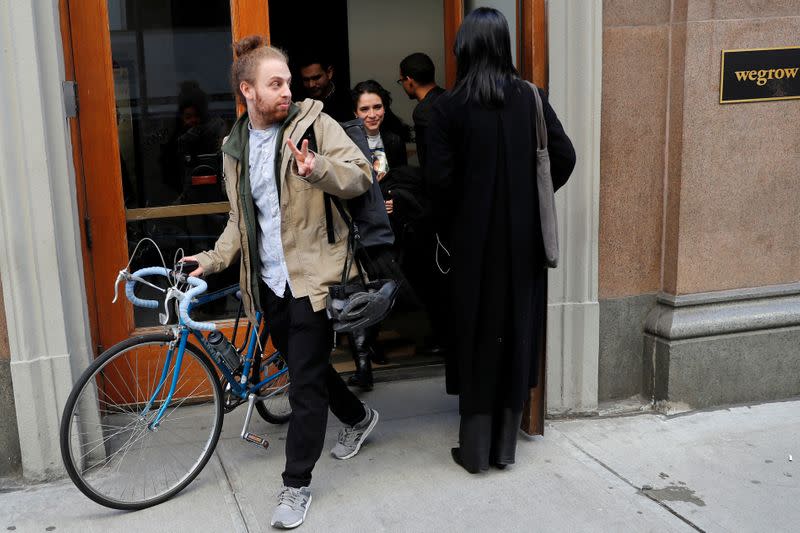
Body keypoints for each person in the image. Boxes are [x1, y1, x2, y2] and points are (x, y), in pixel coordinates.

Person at [183, 36, 379, 529]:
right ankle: (358, 418)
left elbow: (360, 177)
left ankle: (296, 487)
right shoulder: (235, 146)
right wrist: (210, 260)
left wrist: (317, 170)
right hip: (268, 283)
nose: (287, 90)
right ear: (247, 90)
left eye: (288, 81)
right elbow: (240, 220)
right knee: (304, 367)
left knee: (305, 387)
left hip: (314, 278)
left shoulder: (315, 123)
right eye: (275, 84)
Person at [426, 8, 576, 474]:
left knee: (475, 337)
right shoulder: (530, 97)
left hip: (471, 249)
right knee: (516, 332)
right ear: (504, 45)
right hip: (523, 245)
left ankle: (474, 451)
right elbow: (564, 156)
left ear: (464, 48)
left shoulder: (446, 108)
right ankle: (505, 449)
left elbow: (438, 183)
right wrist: (530, 203)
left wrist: (453, 223)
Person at [344, 80, 409, 390]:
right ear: (355, 112)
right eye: (365, 109)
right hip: (358, 227)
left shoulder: (394, 141)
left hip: (388, 227)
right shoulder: (346, 142)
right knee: (361, 291)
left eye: (377, 107)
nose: (372, 114)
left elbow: (402, 179)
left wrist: (395, 196)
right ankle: (362, 360)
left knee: (387, 288)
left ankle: (367, 345)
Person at [398, 52, 445, 171]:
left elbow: (430, 160)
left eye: (401, 81)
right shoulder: (448, 97)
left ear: (409, 81)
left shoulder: (423, 111)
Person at [297, 56, 353, 122]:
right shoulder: (299, 103)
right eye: (306, 80)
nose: (311, 85)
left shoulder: (348, 100)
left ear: (329, 73)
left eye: (316, 78)